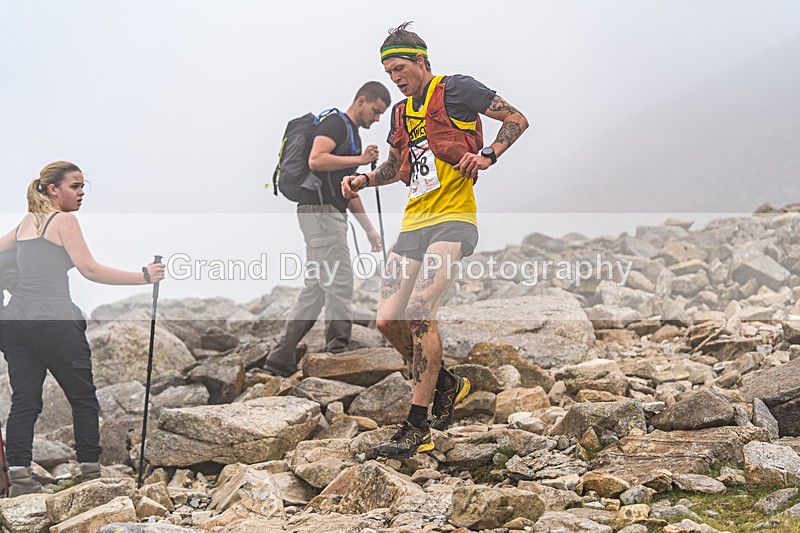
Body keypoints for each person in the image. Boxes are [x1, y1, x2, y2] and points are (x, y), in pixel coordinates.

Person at [342, 23, 529, 458]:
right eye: (389, 72)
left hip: (454, 220)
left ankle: (417, 425)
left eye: (401, 68)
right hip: (414, 223)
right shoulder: (400, 113)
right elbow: (394, 167)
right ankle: (447, 383)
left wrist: (487, 154)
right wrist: (364, 180)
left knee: (420, 311)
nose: (396, 78)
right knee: (388, 321)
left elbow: (516, 118)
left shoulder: (457, 89)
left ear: (421, 60)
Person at [0, 161, 165, 497]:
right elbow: (90, 270)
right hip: (54, 321)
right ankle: (91, 475)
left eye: (82, 186)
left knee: (25, 402)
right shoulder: (63, 221)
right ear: (52, 190)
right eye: (74, 186)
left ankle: (19, 480)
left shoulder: (25, 223)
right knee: (83, 398)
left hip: (15, 323)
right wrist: (144, 276)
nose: (81, 192)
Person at [263, 82, 392, 377]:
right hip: (320, 212)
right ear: (361, 101)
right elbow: (316, 159)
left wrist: (370, 230)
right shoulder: (336, 123)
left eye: (381, 114)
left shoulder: (351, 134)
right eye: (375, 111)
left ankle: (280, 357)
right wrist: (361, 161)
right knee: (340, 279)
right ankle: (337, 350)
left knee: (317, 289)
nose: (376, 118)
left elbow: (347, 189)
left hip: (323, 212)